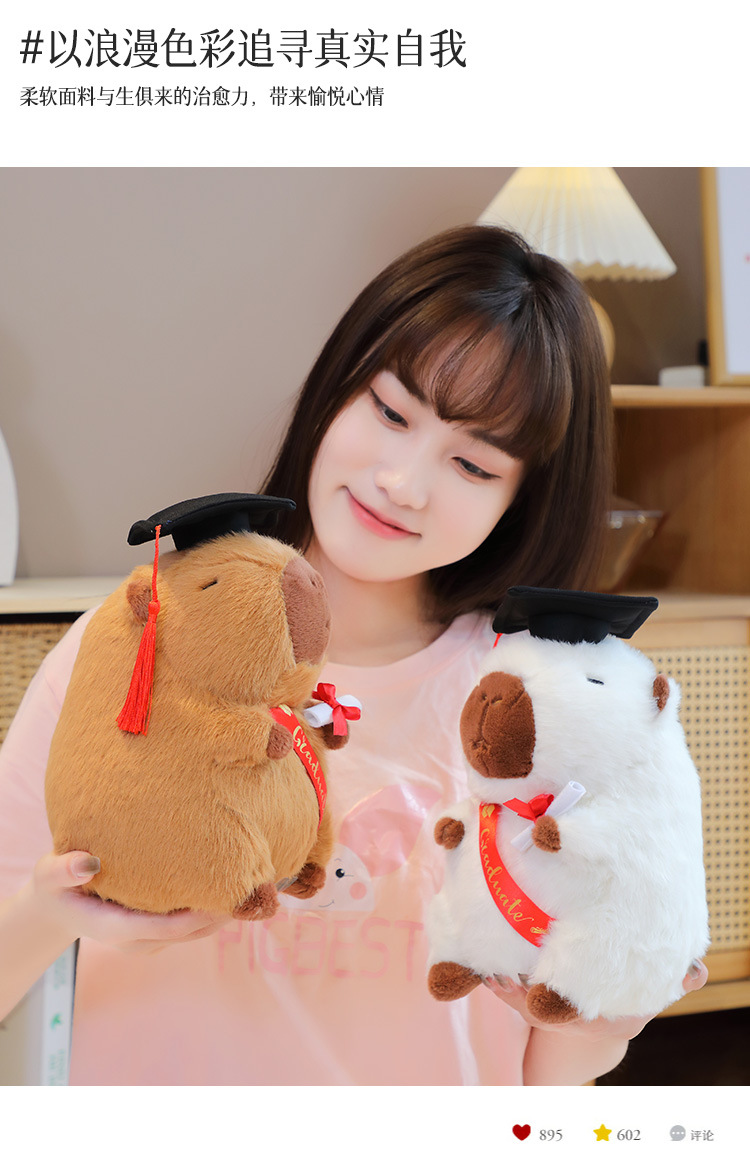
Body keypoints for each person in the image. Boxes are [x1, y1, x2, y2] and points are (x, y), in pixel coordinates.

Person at [0, 225, 707, 1085]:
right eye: (391, 412)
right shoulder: (138, 641)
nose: (403, 482)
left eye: (474, 465)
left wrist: (609, 1015)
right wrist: (54, 913)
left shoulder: (531, 709)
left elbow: (541, 1088)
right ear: (335, 389)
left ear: (524, 500)